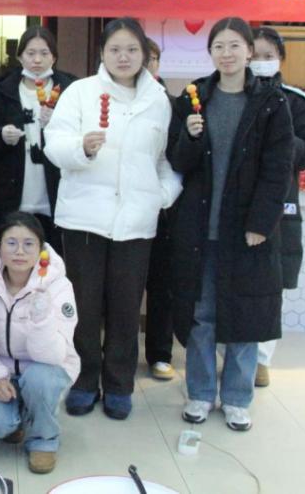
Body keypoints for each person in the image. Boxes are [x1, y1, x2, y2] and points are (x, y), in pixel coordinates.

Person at [44, 17, 182, 420]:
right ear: (102, 53)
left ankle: (120, 384)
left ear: (145, 55)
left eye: (132, 50)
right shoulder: (81, 92)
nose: (124, 57)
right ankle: (84, 381)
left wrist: (161, 196)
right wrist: (82, 148)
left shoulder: (159, 100)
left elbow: (167, 160)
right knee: (84, 307)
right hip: (84, 218)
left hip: (137, 219)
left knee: (125, 308)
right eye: (115, 49)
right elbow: (54, 144)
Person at [167, 17, 293, 432]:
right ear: (210, 53)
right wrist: (189, 136)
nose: (227, 53)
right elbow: (176, 161)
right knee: (201, 314)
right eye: (219, 46)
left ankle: (238, 398)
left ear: (249, 51)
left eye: (235, 45)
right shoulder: (195, 96)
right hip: (200, 226)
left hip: (246, 229)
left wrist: (262, 222)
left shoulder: (271, 102)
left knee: (245, 314)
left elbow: (278, 168)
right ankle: (201, 393)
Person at [0, 212, 79, 475]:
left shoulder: (58, 286)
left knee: (40, 381)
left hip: (47, 368)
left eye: (28, 244)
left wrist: (41, 320)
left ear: (40, 249)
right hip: (5, 369)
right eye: (11, 243)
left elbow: (53, 357)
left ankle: (44, 439)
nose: (19, 251)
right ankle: (16, 417)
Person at [249, 26, 305, 389]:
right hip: (236, 205)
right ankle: (232, 357)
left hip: (279, 205)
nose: (261, 63)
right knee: (232, 281)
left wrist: (280, 138)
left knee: (270, 284)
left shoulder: (295, 102)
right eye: (254, 56)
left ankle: (262, 359)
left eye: (268, 56)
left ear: (280, 59)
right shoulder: (230, 95)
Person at [0, 26, 77, 254]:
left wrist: (57, 122)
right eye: (30, 53)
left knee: (52, 259)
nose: (37, 60)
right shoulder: (2, 90)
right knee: (12, 255)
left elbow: (79, 139)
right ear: (19, 57)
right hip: (11, 190)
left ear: (54, 57)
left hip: (56, 190)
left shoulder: (70, 90)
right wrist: (1, 136)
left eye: (44, 53)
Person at [143, 37, 178, 381]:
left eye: (152, 58)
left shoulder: (173, 104)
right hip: (124, 208)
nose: (147, 64)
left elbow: (176, 158)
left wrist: (165, 194)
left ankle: (159, 354)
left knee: (161, 285)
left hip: (163, 210)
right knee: (119, 288)